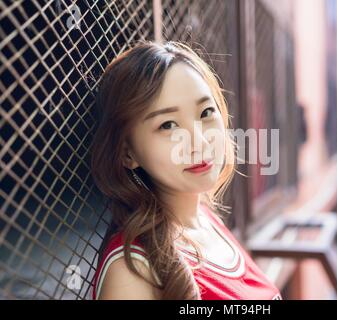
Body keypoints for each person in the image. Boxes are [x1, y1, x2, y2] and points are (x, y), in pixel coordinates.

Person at [90, 40, 282, 300]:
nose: (199, 142)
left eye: (205, 113)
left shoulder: (205, 220)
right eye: (168, 125)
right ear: (128, 153)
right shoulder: (131, 272)